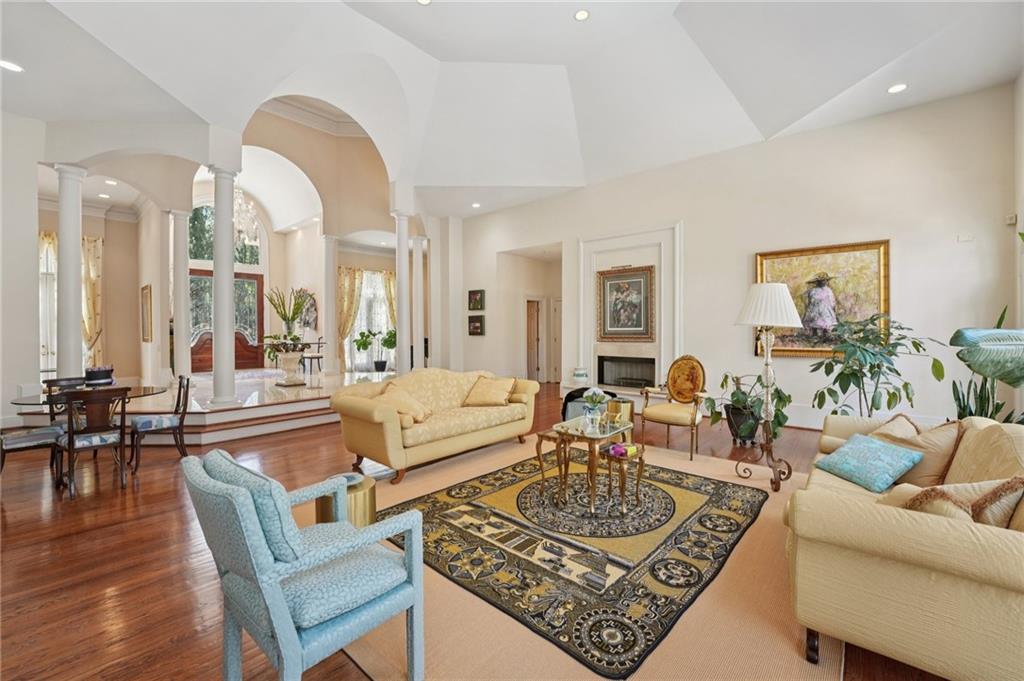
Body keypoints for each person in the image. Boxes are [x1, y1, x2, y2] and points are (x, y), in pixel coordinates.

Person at [802, 272, 838, 339]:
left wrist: (832, 307)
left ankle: (825, 335)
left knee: (826, 322)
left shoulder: (828, 290)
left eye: (824, 281)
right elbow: (811, 300)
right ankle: (814, 334)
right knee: (815, 322)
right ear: (817, 282)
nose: (823, 282)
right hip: (815, 309)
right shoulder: (813, 290)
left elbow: (832, 300)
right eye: (821, 281)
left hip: (826, 309)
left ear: (827, 281)